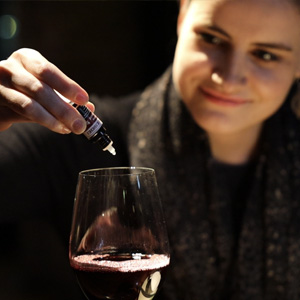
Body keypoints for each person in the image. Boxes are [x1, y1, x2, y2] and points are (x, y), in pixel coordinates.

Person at [1, 0, 300, 299]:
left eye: (265, 54)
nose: (230, 76)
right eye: (212, 38)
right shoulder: (72, 143)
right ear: (182, 16)